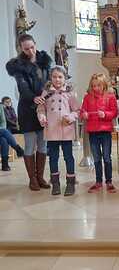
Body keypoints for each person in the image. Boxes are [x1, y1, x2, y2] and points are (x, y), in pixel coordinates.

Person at [6, 34, 51, 191]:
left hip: (44, 108)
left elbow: (49, 82)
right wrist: (34, 98)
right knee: (30, 145)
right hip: (27, 109)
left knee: (43, 145)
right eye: (26, 49)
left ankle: (40, 177)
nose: (31, 51)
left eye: (32, 47)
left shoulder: (44, 61)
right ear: (21, 48)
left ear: (35, 44)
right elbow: (23, 87)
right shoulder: (18, 66)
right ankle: (32, 179)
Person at [37, 65, 80, 196]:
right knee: (53, 158)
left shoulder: (70, 93)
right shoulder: (46, 93)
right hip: (52, 131)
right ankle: (55, 183)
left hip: (66, 130)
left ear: (65, 78)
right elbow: (40, 109)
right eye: (54, 77)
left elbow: (77, 110)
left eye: (60, 77)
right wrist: (42, 117)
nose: (57, 79)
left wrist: (71, 117)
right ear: (51, 78)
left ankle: (71, 183)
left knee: (68, 157)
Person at [80, 73, 118, 193]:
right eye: (94, 86)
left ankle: (109, 181)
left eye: (98, 85)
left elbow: (114, 112)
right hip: (93, 132)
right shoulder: (87, 97)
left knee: (107, 157)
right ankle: (98, 181)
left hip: (105, 131)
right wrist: (84, 115)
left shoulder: (110, 97)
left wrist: (105, 114)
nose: (96, 88)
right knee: (96, 158)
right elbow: (82, 112)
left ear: (104, 85)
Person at [0, 104, 24, 171]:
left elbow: (3, 122)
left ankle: (5, 165)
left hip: (1, 130)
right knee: (4, 132)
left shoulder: (0, 106)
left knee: (4, 140)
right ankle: (18, 149)